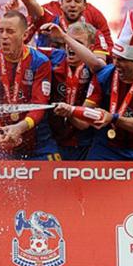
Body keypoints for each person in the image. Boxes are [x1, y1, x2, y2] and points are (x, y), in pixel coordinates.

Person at [62, 13, 133, 162]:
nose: (116, 64)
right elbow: (84, 123)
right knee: (88, 175)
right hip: (107, 146)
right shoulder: (104, 76)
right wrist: (69, 112)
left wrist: (113, 118)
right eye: (114, 58)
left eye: (122, 60)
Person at [0, 11, 60, 161]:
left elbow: (39, 105)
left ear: (24, 35)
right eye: (1, 31)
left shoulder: (40, 62)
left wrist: (19, 128)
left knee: (55, 174)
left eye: (10, 31)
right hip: (2, 138)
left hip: (38, 141)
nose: (4, 36)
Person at [41, 21, 105, 161]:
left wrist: (69, 112)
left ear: (90, 48)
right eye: (69, 41)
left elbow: (83, 123)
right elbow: (22, 50)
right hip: (53, 141)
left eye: (78, 43)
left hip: (84, 143)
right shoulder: (53, 56)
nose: (70, 46)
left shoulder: (97, 72)